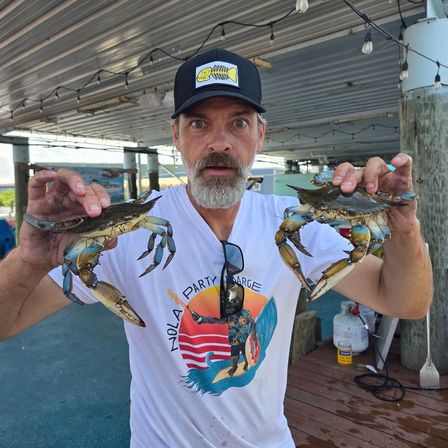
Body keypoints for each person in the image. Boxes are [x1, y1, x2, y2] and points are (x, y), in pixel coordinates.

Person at [0, 48, 433, 447]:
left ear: (261, 135)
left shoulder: (294, 220)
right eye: (199, 123)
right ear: (176, 135)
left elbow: (405, 302)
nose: (220, 143)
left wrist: (404, 229)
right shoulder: (123, 230)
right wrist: (28, 260)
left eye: (238, 122)